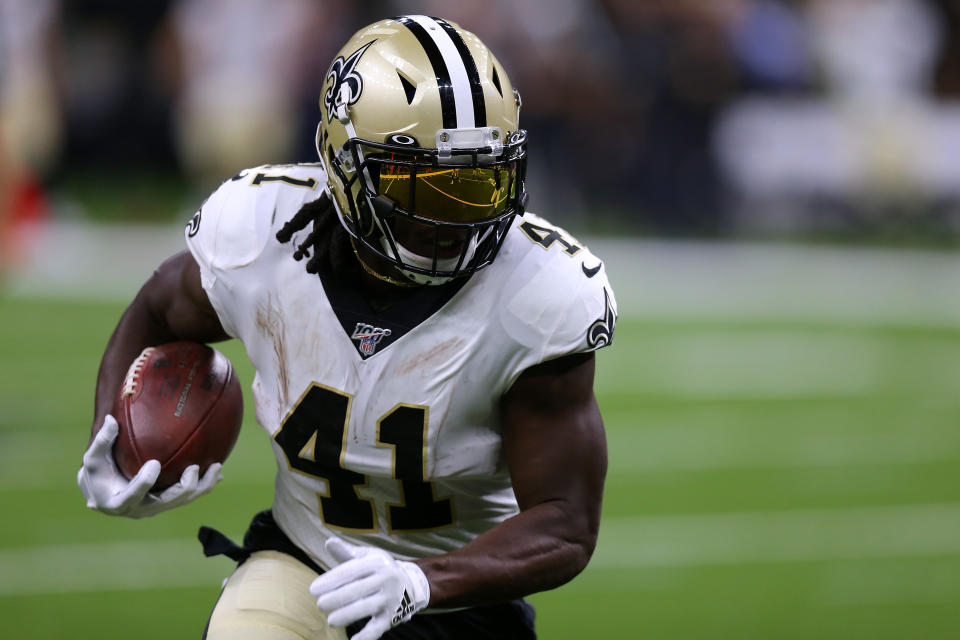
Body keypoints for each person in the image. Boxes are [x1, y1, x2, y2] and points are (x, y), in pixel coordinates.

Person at [77, 15, 616, 640]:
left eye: (477, 184)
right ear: (344, 167)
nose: (455, 221)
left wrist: (424, 581)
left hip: (464, 595)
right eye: (422, 189)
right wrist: (115, 439)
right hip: (301, 559)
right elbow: (158, 309)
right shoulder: (264, 236)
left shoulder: (536, 294)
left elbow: (566, 522)